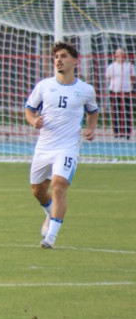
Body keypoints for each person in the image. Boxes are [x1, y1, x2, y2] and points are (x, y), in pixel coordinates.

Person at [25, 42, 99, 249]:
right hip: (44, 146)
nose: (59, 60)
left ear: (75, 61)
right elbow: (29, 110)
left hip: (67, 147)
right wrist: (33, 121)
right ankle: (50, 212)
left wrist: (90, 128)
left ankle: (50, 237)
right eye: (56, 57)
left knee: (58, 185)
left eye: (64, 56)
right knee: (37, 190)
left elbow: (93, 111)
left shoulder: (85, 90)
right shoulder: (44, 86)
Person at [105, 48, 134, 139]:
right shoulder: (111, 66)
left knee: (127, 111)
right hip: (114, 91)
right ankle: (117, 132)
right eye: (118, 54)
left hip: (127, 91)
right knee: (116, 111)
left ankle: (127, 132)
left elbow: (133, 77)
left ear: (124, 55)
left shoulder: (129, 66)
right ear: (115, 55)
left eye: (122, 54)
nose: (120, 56)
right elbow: (108, 77)